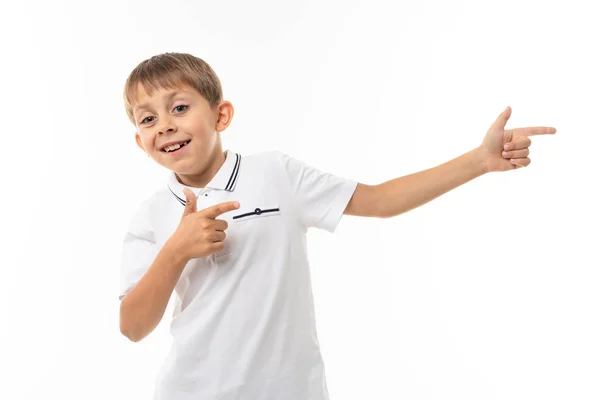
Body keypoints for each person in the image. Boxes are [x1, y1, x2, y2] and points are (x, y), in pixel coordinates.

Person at [118, 52, 555, 400]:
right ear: (140, 141)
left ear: (221, 115)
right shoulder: (150, 215)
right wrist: (175, 250)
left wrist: (477, 162)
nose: (166, 125)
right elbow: (133, 327)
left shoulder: (276, 174)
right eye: (148, 118)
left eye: (179, 107)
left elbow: (381, 200)